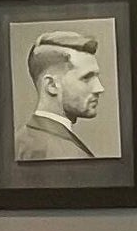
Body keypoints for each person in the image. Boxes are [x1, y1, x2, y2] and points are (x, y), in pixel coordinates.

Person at [14, 31, 106, 162]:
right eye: (86, 78)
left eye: (96, 77)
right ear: (51, 85)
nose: (99, 88)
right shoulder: (64, 155)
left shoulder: (20, 140)